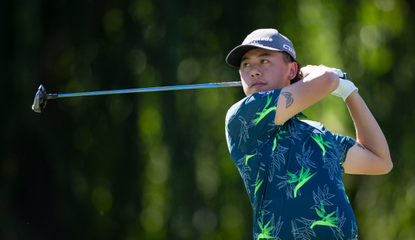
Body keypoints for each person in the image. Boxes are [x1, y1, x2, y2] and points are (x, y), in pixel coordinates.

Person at [224, 28, 392, 240]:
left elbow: (380, 161)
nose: (253, 71)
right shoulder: (243, 115)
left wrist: (349, 92)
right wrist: (325, 76)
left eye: (264, 61)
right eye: (246, 64)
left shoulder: (318, 134)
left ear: (292, 70)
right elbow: (327, 80)